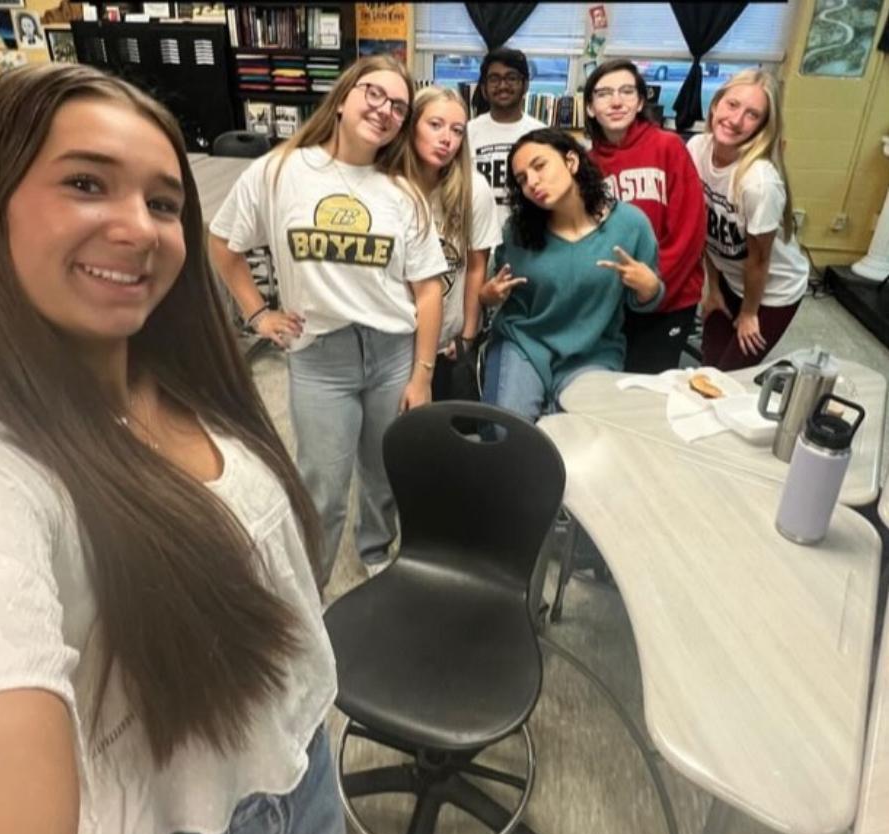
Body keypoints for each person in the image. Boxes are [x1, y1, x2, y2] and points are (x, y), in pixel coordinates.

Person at [0, 63, 350, 834]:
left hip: (297, 765)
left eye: (161, 199)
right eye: (85, 183)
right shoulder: (5, 472)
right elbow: (8, 738)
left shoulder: (177, 365)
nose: (138, 228)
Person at [209, 55, 446, 586]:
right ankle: (308, 588)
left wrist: (423, 374)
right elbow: (223, 243)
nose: (385, 110)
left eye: (399, 107)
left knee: (384, 473)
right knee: (322, 486)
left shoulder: (403, 193)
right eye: (374, 93)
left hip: (392, 355)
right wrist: (258, 313)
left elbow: (429, 289)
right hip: (321, 359)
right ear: (342, 98)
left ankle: (376, 551)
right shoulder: (279, 171)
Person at [481, 128, 664, 423]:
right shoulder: (518, 230)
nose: (532, 183)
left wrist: (650, 288)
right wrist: (488, 295)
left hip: (592, 353)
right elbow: (493, 290)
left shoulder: (630, 225)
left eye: (540, 166)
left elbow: (645, 301)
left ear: (571, 162)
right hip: (524, 342)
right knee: (507, 432)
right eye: (522, 179)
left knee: (581, 435)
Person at [583, 58, 706, 373]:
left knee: (648, 385)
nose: (616, 102)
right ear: (590, 108)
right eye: (604, 93)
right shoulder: (588, 165)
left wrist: (651, 287)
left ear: (640, 102)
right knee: (609, 381)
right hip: (613, 301)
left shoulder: (669, 147)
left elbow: (689, 233)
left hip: (668, 297)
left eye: (626, 91)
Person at [687, 69, 809, 371]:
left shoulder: (759, 183)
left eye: (752, 114)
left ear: (762, 126)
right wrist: (713, 289)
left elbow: (759, 259)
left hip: (773, 291)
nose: (736, 120)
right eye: (732, 104)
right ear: (716, 104)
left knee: (729, 375)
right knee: (709, 369)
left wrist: (749, 313)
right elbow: (705, 231)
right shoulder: (696, 149)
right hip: (730, 279)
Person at [402, 85, 501, 402]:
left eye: (457, 130)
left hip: (447, 336)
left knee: (443, 422)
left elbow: (475, 266)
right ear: (411, 125)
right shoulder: (389, 185)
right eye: (435, 125)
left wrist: (468, 333)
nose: (447, 138)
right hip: (394, 337)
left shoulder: (474, 188)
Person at [466, 46, 543, 224]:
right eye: (494, 79)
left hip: (528, 234)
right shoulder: (467, 133)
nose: (502, 85)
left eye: (511, 78)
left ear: (525, 85)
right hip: (477, 234)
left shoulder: (542, 135)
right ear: (483, 88)